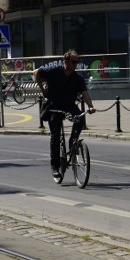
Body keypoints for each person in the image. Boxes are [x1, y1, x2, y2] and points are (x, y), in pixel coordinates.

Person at [34, 50, 96, 179]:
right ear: (66, 61)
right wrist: (43, 90)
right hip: (53, 106)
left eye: (77, 62)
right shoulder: (55, 70)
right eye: (73, 62)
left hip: (69, 105)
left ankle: (73, 142)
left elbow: (84, 92)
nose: (75, 65)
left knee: (80, 117)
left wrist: (90, 106)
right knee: (55, 136)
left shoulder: (77, 78)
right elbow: (36, 73)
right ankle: (55, 167)